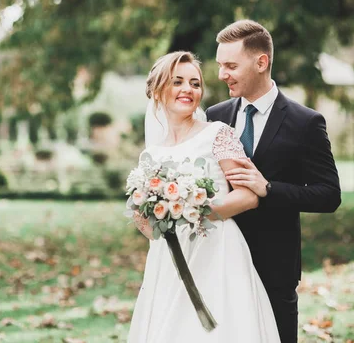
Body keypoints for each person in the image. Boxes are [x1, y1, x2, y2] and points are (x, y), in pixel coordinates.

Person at [127, 51, 280, 343]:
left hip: (218, 251)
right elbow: (150, 229)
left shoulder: (218, 134)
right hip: (169, 258)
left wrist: (195, 209)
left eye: (195, 84)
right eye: (178, 82)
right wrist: (147, 214)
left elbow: (249, 196)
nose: (188, 90)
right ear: (158, 90)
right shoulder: (151, 154)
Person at [205, 19, 342, 342]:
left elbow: (329, 195)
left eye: (230, 65)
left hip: (274, 269)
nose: (222, 74)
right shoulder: (215, 116)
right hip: (219, 263)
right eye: (220, 65)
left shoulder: (305, 122)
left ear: (261, 62)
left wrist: (268, 189)